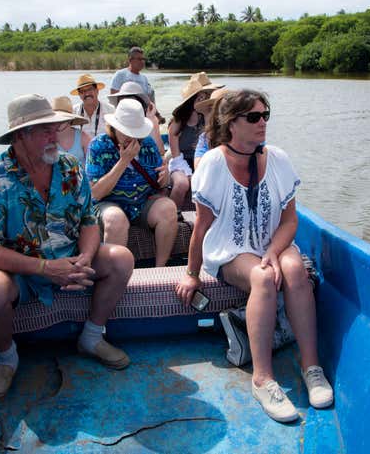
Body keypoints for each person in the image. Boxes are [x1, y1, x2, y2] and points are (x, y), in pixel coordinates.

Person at [175, 90, 334, 422]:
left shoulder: (277, 158)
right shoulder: (214, 164)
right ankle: (263, 379)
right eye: (253, 117)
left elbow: (290, 220)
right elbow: (202, 226)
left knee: (294, 270)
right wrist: (191, 274)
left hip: (271, 241)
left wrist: (275, 252)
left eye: (266, 115)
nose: (263, 122)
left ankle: (311, 367)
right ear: (231, 124)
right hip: (230, 249)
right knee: (262, 277)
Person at [0, 94, 135, 403]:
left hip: (71, 258)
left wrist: (85, 258)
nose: (56, 136)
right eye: (46, 131)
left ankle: (91, 337)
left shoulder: (70, 167)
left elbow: (89, 219)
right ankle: (6, 359)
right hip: (20, 273)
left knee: (121, 259)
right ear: (21, 135)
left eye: (57, 129)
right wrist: (46, 268)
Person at [86, 99, 178, 267]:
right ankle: (114, 274)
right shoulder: (98, 146)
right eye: (126, 132)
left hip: (142, 203)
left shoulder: (147, 144)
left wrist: (164, 179)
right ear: (114, 127)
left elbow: (160, 185)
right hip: (109, 204)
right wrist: (123, 161)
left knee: (168, 208)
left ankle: (160, 268)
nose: (131, 137)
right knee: (116, 219)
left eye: (136, 132)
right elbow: (95, 193)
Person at [167, 72, 223, 208]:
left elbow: (213, 147)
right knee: (182, 184)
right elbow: (176, 157)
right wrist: (191, 174)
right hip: (181, 162)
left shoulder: (211, 119)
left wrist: (207, 113)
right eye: (205, 95)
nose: (209, 98)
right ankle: (175, 214)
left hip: (203, 161)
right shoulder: (178, 122)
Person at [108, 81, 166, 155]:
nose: (129, 104)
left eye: (131, 99)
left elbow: (160, 152)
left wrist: (151, 119)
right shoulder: (114, 121)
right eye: (124, 100)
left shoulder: (150, 120)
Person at [70, 74, 114, 140]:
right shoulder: (72, 112)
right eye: (83, 91)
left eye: (90, 89)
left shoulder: (110, 110)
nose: (87, 94)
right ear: (79, 95)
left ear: (97, 91)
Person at [52, 96, 90, 163]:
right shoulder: (47, 139)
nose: (57, 121)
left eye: (62, 118)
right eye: (55, 118)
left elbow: (92, 166)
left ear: (70, 119)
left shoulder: (83, 138)